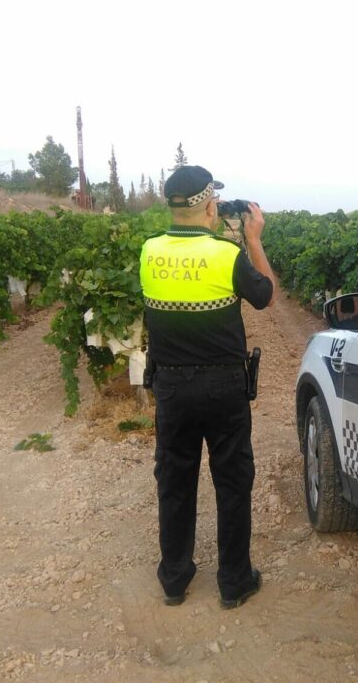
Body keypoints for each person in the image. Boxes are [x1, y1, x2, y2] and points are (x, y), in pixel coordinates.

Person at [139, 164, 277, 609]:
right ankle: (234, 582)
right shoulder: (225, 255)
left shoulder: (149, 252)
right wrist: (252, 239)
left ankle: (175, 580)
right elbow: (266, 295)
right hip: (223, 387)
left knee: (174, 481)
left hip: (171, 388)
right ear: (209, 205)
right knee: (232, 482)